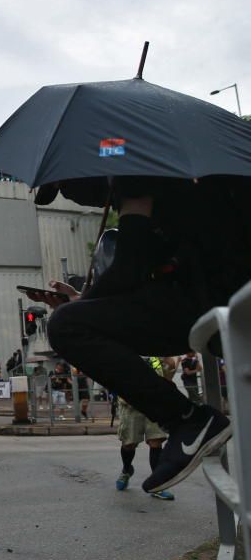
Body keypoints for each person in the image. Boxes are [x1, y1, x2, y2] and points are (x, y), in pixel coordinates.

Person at [39, 175, 250, 493]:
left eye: (65, 186)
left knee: (67, 326)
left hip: (216, 299)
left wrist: (83, 305)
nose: (68, 196)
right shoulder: (172, 186)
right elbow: (137, 273)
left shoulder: (135, 174)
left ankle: (187, 418)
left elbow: (127, 269)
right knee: (75, 318)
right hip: (217, 298)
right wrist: (84, 300)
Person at [116, 358, 175, 501]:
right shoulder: (124, 348)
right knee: (129, 444)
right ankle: (126, 470)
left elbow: (167, 373)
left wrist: (170, 365)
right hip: (130, 404)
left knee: (155, 442)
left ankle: (157, 484)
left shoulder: (155, 354)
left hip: (154, 403)